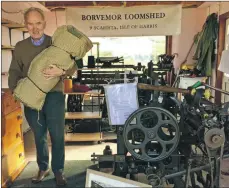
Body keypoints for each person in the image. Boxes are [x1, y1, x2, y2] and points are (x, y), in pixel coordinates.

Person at [8, 7, 77, 186]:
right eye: (30, 24)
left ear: (44, 23)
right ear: (26, 25)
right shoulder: (20, 47)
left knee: (57, 135)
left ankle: (58, 170)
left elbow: (73, 66)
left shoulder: (56, 43)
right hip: (31, 98)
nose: (35, 28)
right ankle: (43, 167)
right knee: (39, 135)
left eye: (38, 23)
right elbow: (14, 72)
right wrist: (14, 90)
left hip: (54, 96)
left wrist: (61, 71)